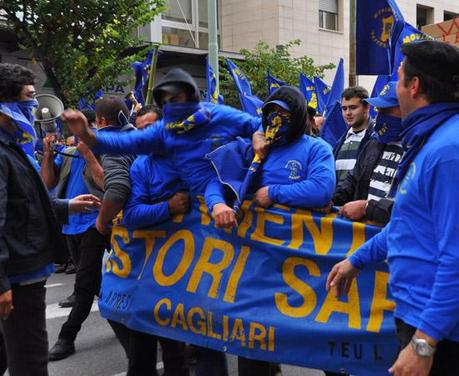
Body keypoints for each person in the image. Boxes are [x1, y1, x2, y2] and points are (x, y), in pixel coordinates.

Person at [63, 68, 265, 376]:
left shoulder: (215, 116)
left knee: (222, 330)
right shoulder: (158, 141)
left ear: (192, 96)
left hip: (222, 233)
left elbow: (255, 124)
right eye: (167, 99)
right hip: (173, 261)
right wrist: (87, 135)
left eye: (180, 97)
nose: (175, 104)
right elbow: (118, 146)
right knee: (182, 338)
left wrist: (257, 136)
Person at [326, 40, 459, 376]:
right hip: (420, 317)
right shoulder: (432, 141)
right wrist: (356, 260)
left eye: (398, 79)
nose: (395, 90)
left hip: (440, 333)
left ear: (413, 86)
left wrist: (424, 342)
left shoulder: (448, 151)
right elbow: (408, 224)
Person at [0, 62, 100, 376]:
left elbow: (25, 204)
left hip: (21, 270)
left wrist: (67, 205)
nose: (35, 106)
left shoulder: (12, 147)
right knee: (30, 361)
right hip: (18, 275)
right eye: (29, 97)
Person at [110, 108, 189, 375]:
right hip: (151, 268)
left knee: (180, 352)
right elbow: (131, 215)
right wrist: (168, 207)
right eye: (141, 129)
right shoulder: (141, 165)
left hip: (192, 268)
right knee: (143, 344)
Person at [205, 86, 336, 230]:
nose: (276, 116)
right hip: (252, 241)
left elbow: (321, 189)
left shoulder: (317, 148)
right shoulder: (255, 147)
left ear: (297, 115)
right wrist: (217, 204)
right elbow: (218, 180)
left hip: (296, 240)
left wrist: (272, 193)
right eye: (272, 111)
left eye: (282, 111)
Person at [333, 81, 403, 225]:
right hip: (366, 230)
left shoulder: (418, 148)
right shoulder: (374, 143)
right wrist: (332, 199)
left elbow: (412, 205)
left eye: (386, 110)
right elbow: (352, 180)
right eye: (379, 110)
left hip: (395, 233)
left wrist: (367, 208)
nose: (380, 115)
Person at [334, 86, 374, 185]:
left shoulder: (376, 139)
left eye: (353, 107)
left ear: (367, 107)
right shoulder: (339, 142)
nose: (348, 113)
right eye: (344, 108)